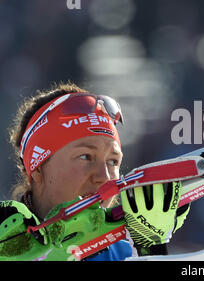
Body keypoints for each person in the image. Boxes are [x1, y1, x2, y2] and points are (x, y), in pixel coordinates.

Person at [0, 83, 190, 260]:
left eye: (113, 161)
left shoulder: (127, 253)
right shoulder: (6, 243)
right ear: (38, 169)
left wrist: (152, 247)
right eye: (85, 157)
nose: (105, 178)